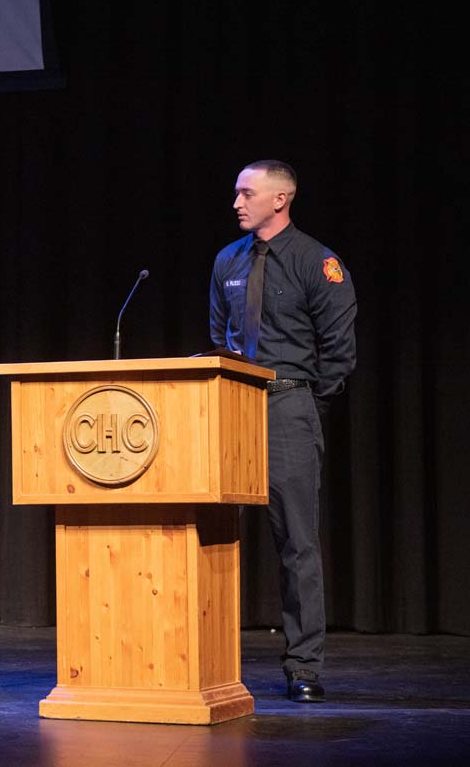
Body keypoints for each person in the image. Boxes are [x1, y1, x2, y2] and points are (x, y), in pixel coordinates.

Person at [209, 160, 357, 703]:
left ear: (281, 199)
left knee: (296, 540)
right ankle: (210, 661)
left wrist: (304, 402)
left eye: (247, 193)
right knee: (212, 532)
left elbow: (338, 352)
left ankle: (303, 666)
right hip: (230, 405)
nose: (237, 203)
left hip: (288, 406)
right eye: (236, 192)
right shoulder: (228, 259)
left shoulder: (317, 261)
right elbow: (218, 333)